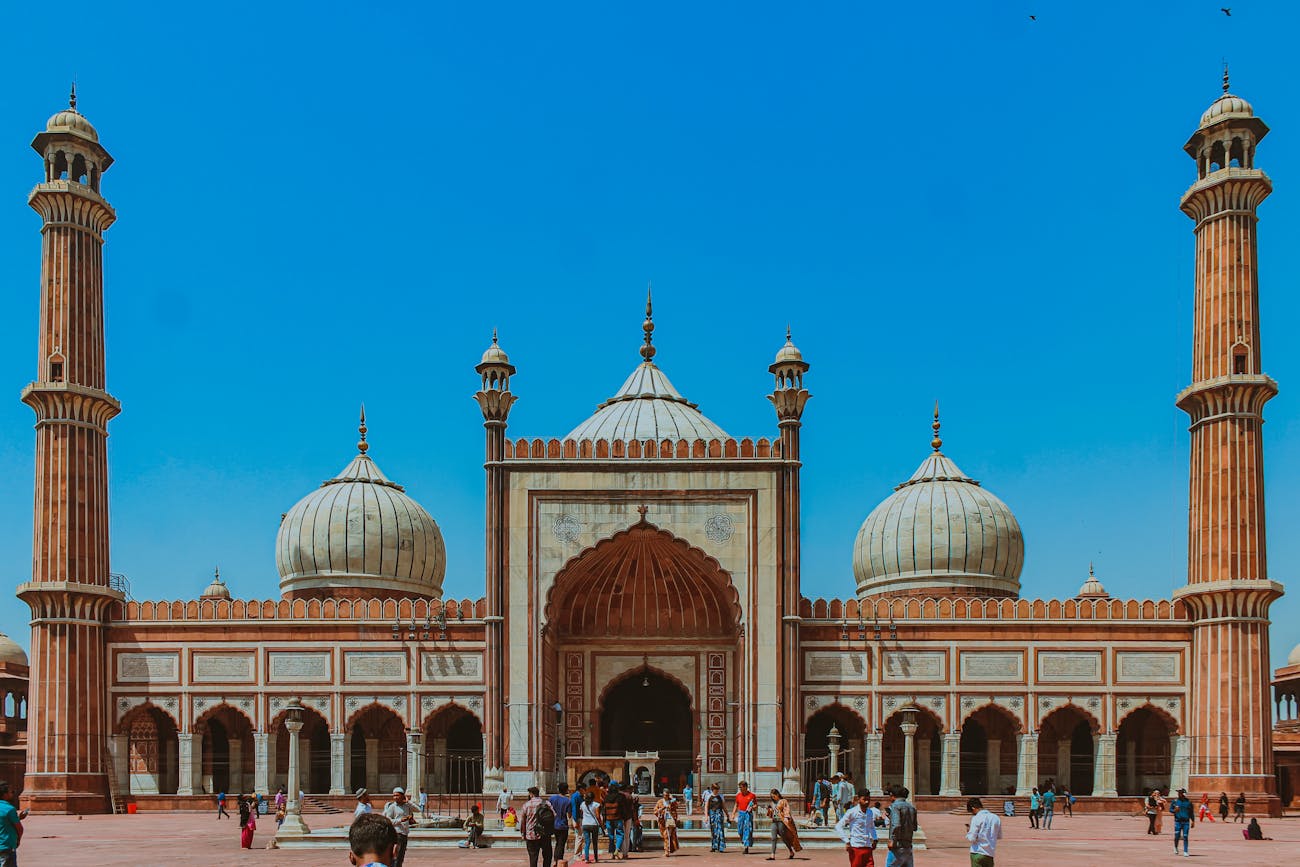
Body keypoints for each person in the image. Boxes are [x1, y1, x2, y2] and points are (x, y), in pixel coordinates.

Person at [835, 789, 877, 867]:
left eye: (868, 799)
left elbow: (871, 826)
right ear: (858, 799)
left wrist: (875, 839)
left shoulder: (870, 812)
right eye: (864, 799)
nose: (867, 802)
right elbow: (838, 826)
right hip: (856, 847)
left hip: (867, 846)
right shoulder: (852, 812)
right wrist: (846, 841)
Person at [521, 786, 555, 867]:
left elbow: (523, 821)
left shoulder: (527, 805)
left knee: (533, 857)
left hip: (531, 834)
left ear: (531, 794)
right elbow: (554, 815)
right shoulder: (546, 803)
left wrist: (523, 833)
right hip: (545, 833)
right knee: (547, 856)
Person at [965, 797, 1002, 867]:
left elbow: (971, 838)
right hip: (990, 853)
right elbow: (998, 836)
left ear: (973, 808)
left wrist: (969, 831)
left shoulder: (976, 818)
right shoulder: (996, 817)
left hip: (977, 852)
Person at [382, 787, 414, 867]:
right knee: (396, 855)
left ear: (402, 796)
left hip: (404, 834)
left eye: (397, 795)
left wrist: (408, 801)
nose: (395, 797)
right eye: (394, 795)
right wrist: (400, 820)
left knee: (401, 856)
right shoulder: (392, 807)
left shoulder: (407, 806)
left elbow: (419, 809)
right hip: (397, 833)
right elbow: (388, 820)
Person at [886, 786, 917, 867]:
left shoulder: (895, 806)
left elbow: (896, 825)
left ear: (892, 795)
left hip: (897, 846)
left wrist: (892, 840)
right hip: (908, 846)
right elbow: (914, 827)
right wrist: (891, 817)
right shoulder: (912, 807)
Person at [0, 781, 27, 867]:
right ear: (4, 794)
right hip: (6, 845)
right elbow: (19, 828)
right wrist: (18, 840)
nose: (13, 794)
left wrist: (18, 818)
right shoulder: (9, 809)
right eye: (11, 792)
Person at [549, 783, 572, 863]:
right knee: (561, 844)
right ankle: (558, 860)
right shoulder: (568, 801)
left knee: (558, 842)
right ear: (566, 790)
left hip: (554, 824)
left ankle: (555, 859)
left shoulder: (552, 798)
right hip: (563, 824)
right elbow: (569, 815)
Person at [579, 789, 603, 863]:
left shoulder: (582, 804)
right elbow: (598, 816)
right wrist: (601, 824)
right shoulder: (596, 804)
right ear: (593, 798)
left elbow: (581, 812)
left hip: (585, 824)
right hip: (594, 824)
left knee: (587, 842)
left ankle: (586, 858)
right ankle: (596, 858)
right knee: (595, 842)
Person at [654, 788, 680, 856]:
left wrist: (672, 800)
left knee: (667, 835)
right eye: (665, 795)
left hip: (670, 820)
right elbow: (655, 811)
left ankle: (667, 851)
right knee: (665, 835)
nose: (666, 796)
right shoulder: (660, 802)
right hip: (662, 821)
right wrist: (661, 809)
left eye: (667, 795)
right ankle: (670, 849)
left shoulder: (671, 801)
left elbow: (677, 806)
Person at [603, 782, 626, 859]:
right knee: (620, 834)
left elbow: (604, 810)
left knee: (611, 836)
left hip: (609, 819)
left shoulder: (606, 797)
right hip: (618, 818)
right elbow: (623, 808)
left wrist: (604, 820)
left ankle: (612, 853)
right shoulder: (621, 797)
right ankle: (617, 849)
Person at [733, 780, 758, 854]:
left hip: (748, 814)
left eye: (741, 787)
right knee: (740, 830)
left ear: (746, 787)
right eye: (739, 787)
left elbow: (756, 805)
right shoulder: (738, 795)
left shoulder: (752, 795)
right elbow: (736, 805)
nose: (740, 789)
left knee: (747, 830)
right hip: (741, 814)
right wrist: (733, 813)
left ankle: (746, 847)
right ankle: (743, 840)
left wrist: (753, 807)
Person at [1169, 788, 1194, 857]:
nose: (1179, 794)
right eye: (1178, 792)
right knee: (1177, 835)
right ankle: (1175, 847)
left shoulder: (1188, 802)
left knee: (1185, 836)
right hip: (1178, 821)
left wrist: (1193, 821)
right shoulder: (1175, 801)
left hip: (1186, 822)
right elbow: (1170, 810)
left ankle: (1185, 851)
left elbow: (1191, 812)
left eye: (1180, 792)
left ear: (1183, 793)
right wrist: (1174, 810)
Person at [705, 783, 727, 852]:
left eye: (718, 789)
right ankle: (714, 846)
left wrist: (727, 814)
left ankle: (721, 847)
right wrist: (706, 816)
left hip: (719, 814)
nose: (717, 790)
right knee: (713, 830)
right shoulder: (709, 796)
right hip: (712, 814)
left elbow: (723, 806)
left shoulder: (721, 796)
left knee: (720, 830)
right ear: (712, 789)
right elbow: (706, 806)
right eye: (715, 789)